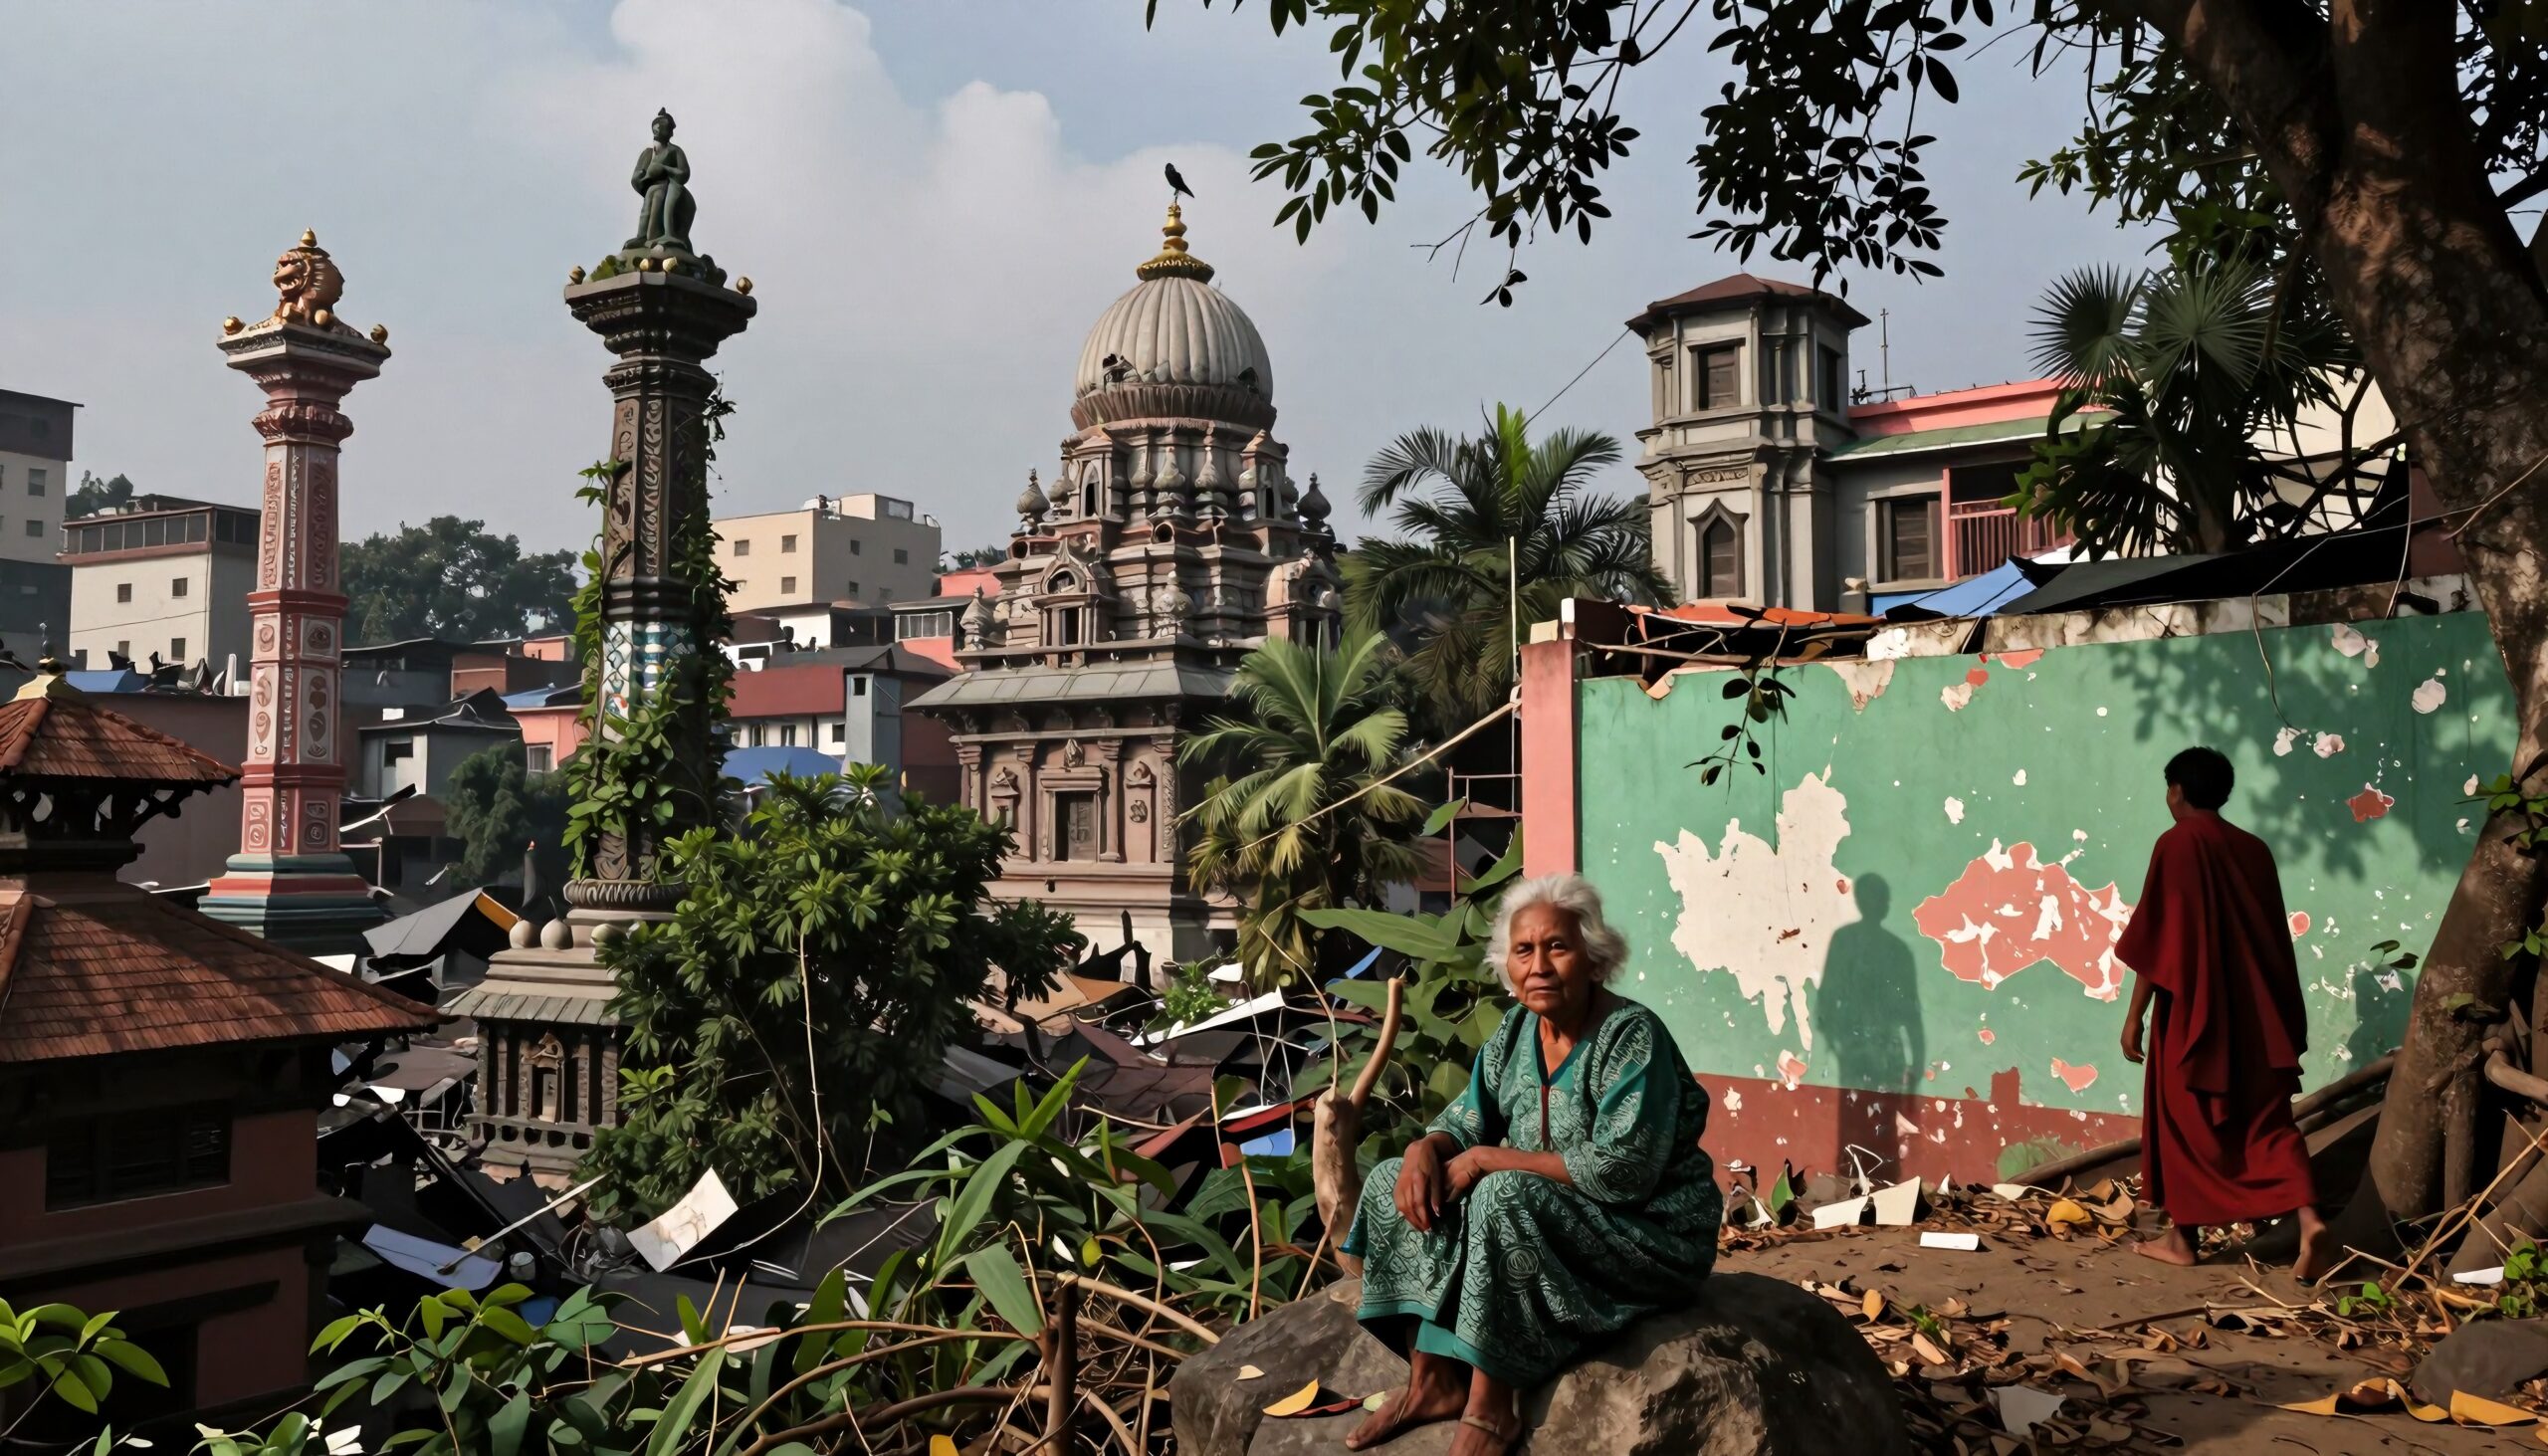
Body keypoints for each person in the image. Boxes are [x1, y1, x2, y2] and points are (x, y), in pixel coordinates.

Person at [1343, 874, 1720, 1456]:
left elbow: (1624, 1171)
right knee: (1399, 1177)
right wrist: (1427, 1148)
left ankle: (1493, 1406)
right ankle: (1434, 1381)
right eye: (1524, 950)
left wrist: (1488, 1158)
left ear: (1594, 958)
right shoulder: (1515, 1031)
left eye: (1558, 947)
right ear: (1508, 965)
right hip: (1551, 1218)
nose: (1539, 965)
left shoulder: (1631, 1037)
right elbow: (1468, 1118)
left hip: (1649, 1234)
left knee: (1502, 1193)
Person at [2116, 746, 2332, 1278]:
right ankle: (2309, 1223)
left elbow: (2159, 941)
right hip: (2259, 1017)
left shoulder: (2177, 844)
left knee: (2182, 1122)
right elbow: (2273, 941)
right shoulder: (2254, 849)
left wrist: (2134, 1015)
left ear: (2177, 791)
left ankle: (2183, 1241)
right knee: (2268, 1124)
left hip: (2195, 1016)